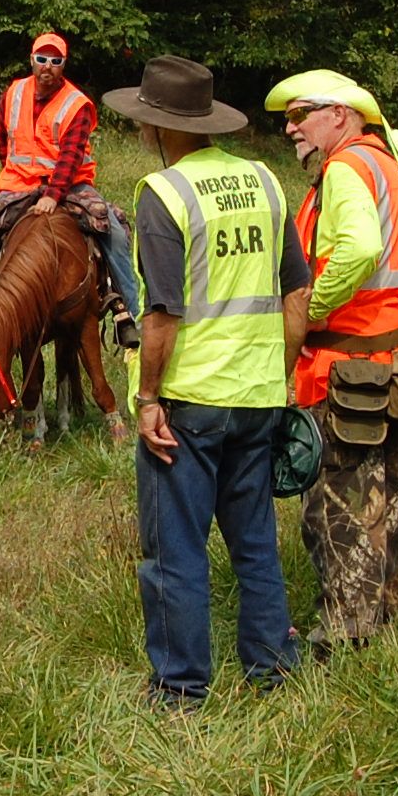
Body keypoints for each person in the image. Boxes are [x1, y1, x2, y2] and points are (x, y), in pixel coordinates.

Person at [114, 58, 310, 699]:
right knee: (255, 541)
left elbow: (163, 311)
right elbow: (296, 294)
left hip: (190, 401)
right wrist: (277, 378)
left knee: (175, 549)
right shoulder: (266, 182)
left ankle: (180, 688)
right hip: (258, 398)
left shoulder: (163, 195)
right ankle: (271, 670)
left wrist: (147, 398)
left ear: (156, 128)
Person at [265, 71, 398, 650]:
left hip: (347, 371)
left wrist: (311, 308)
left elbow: (359, 249)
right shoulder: (392, 166)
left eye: (300, 114)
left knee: (335, 511)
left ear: (339, 114)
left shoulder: (345, 170)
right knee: (387, 503)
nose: (291, 128)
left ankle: (345, 635)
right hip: (394, 367)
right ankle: (391, 613)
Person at [0, 32, 140, 345]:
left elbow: (70, 158)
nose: (48, 66)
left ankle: (127, 312)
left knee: (112, 229)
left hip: (70, 185)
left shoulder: (77, 104)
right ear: (32, 60)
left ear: (63, 65)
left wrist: (52, 196)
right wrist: (14, 174)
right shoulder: (14, 92)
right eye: (42, 59)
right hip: (19, 182)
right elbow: (2, 138)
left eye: (55, 61)